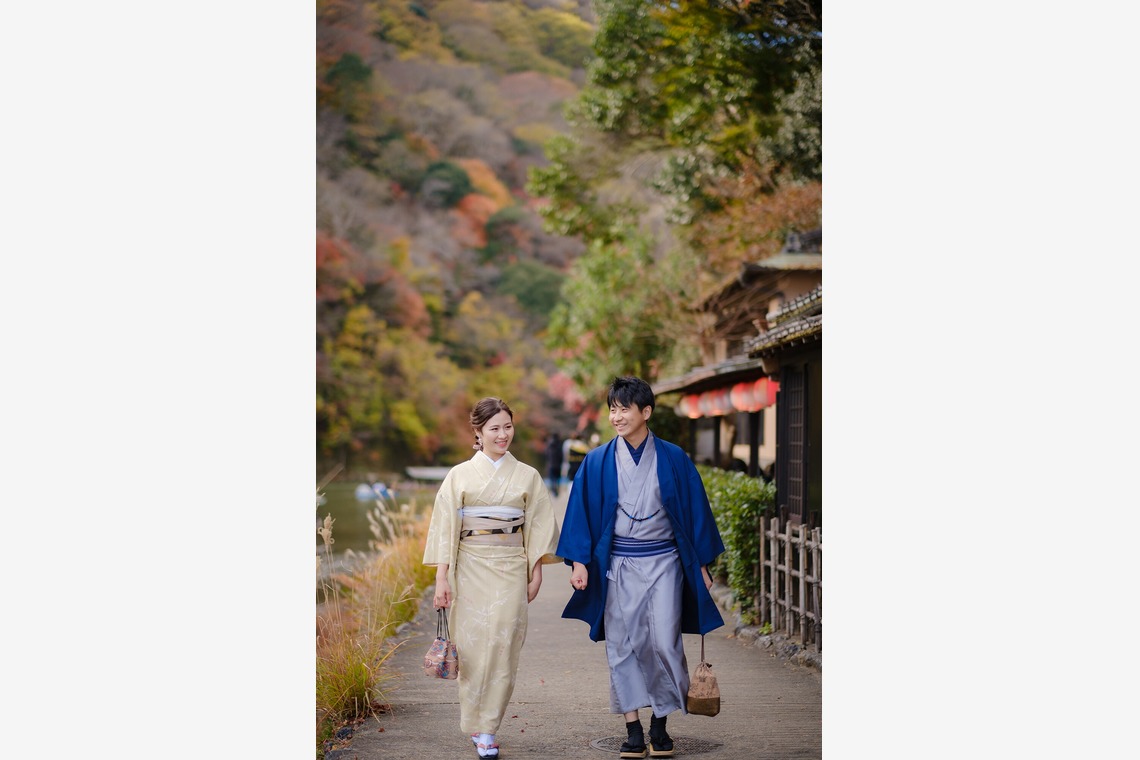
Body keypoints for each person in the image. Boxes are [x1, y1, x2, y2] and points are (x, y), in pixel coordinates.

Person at [556, 376, 726, 759]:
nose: (616, 417)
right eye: (612, 409)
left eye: (624, 409)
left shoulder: (674, 458)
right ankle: (633, 729)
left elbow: (696, 513)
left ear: (645, 412)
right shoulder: (597, 461)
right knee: (622, 644)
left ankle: (660, 722)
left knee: (664, 641)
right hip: (617, 563)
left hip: (665, 562)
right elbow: (580, 513)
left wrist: (700, 565)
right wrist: (580, 562)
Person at [423, 397, 562, 759]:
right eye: (494, 428)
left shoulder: (528, 475)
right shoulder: (459, 475)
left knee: (504, 646)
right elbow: (445, 528)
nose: (503, 435)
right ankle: (475, 721)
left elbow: (538, 527)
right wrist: (442, 579)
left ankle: (488, 728)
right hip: (468, 566)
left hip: (511, 567)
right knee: (471, 649)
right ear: (478, 432)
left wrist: (536, 572)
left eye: (508, 427)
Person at [544, 431, 564, 497]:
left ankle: (553, 490)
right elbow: (561, 455)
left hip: (551, 464)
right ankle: (557, 489)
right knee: (557, 478)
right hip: (558, 464)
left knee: (552, 478)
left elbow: (546, 454)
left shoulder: (549, 444)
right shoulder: (559, 444)